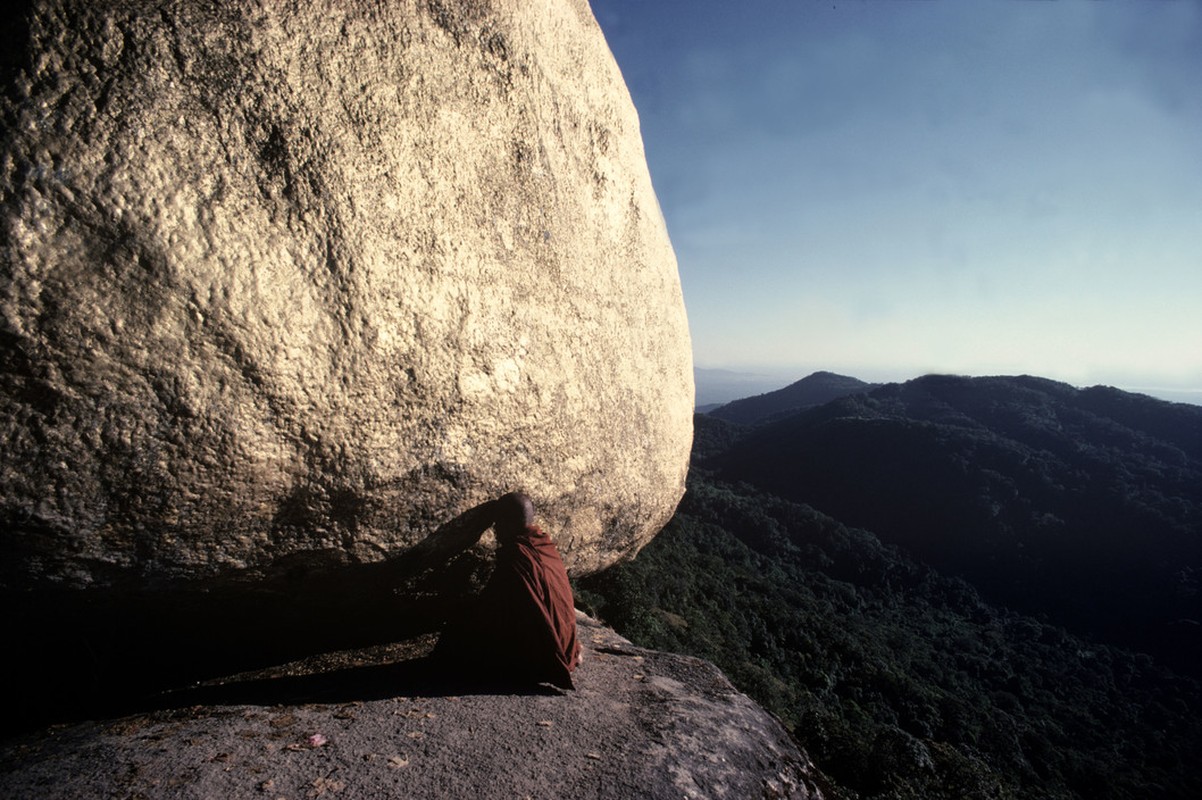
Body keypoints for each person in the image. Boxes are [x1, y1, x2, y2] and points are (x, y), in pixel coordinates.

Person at [433, 492, 582, 689]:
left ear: (508, 522)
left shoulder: (516, 557)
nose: (496, 529)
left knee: (459, 643)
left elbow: (491, 608)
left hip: (542, 659)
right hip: (568, 647)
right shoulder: (546, 545)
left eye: (498, 523)